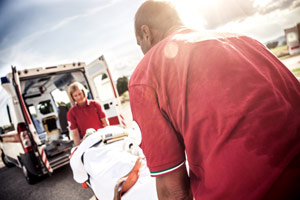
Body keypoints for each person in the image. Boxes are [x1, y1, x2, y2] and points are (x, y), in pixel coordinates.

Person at [128, 1, 300, 199]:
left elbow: (173, 190)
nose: (142, 50)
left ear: (146, 32)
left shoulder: (145, 76)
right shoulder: (246, 40)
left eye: (139, 43)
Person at [67, 82, 109, 146]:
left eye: (80, 94)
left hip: (102, 138)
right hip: (87, 142)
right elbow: (75, 134)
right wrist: (78, 148)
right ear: (72, 97)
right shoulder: (71, 113)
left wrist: (109, 137)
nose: (79, 97)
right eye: (75, 95)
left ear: (83, 92)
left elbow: (105, 123)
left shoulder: (95, 104)